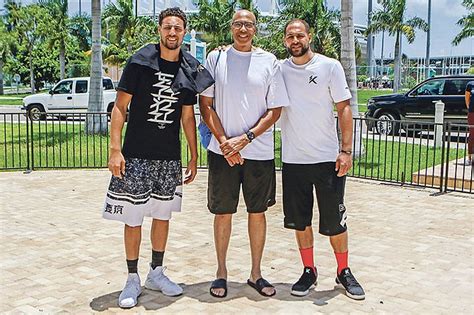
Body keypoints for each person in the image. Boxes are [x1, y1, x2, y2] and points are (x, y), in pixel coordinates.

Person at [102, 7, 214, 308]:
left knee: (163, 216)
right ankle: (131, 278)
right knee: (133, 217)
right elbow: (119, 108)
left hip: (168, 158)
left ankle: (157, 272)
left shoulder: (190, 68)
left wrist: (192, 155)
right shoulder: (140, 61)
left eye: (178, 28)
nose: (172, 32)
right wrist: (115, 149)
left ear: (184, 32)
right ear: (159, 30)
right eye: (168, 27)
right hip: (136, 154)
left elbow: (188, 116)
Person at [199, 9, 289, 298]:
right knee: (223, 212)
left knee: (257, 213)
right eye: (238, 23)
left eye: (248, 24)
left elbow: (275, 110)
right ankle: (221, 273)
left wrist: (245, 139)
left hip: (258, 153)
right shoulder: (216, 58)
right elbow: (206, 104)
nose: (243, 29)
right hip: (221, 151)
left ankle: (256, 274)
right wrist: (226, 142)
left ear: (255, 29)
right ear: (231, 27)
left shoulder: (269, 62)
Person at [279, 19, 365, 300]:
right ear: (284, 41)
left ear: (309, 36)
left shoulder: (330, 67)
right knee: (300, 222)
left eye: (299, 35)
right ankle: (309, 271)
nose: (295, 40)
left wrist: (346, 150)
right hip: (293, 161)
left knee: (335, 222)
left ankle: (343, 271)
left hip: (328, 160)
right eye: (290, 36)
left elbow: (344, 108)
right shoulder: (279, 69)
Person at [464, 81, 474, 166]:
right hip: (472, 113)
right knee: (472, 135)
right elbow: (467, 99)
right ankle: (470, 158)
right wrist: (470, 108)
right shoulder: (470, 84)